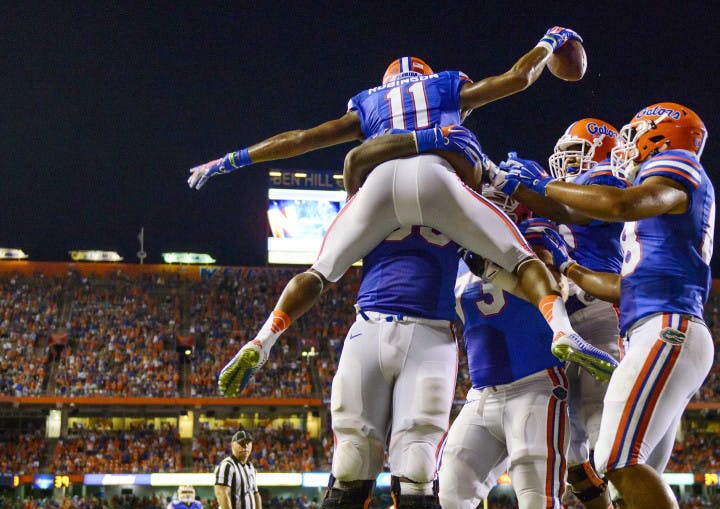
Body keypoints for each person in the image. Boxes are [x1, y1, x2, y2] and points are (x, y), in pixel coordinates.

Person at [188, 26, 617, 402]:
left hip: (377, 186)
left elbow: (302, 138)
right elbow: (517, 79)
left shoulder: (368, 104)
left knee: (319, 271)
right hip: (438, 180)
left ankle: (263, 341)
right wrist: (549, 41)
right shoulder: (445, 89)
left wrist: (229, 160)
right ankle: (563, 331)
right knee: (521, 258)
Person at [501, 102, 720, 509]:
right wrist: (572, 273)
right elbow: (625, 288)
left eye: (632, 136)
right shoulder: (653, 217)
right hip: (650, 323)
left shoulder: (678, 166)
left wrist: (549, 188)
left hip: (669, 329)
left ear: (658, 137)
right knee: (630, 484)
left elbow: (622, 201)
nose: (625, 145)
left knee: (615, 458)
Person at [438, 247, 599, 509]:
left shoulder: (526, 240)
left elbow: (553, 281)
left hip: (537, 382)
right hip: (482, 392)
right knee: (451, 500)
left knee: (538, 506)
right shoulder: (456, 255)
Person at [502, 118, 632, 509]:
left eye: (576, 150)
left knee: (605, 441)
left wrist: (530, 186)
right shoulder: (560, 196)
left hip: (597, 312)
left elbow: (569, 212)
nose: (566, 159)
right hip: (562, 319)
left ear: (600, 151)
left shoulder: (604, 185)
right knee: (575, 449)